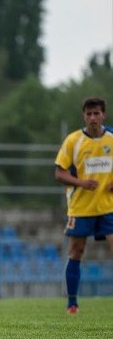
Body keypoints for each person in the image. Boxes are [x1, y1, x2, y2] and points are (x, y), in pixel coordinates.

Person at [54, 96, 113, 314]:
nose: (93, 118)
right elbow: (59, 173)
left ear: (103, 115)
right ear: (84, 116)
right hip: (81, 208)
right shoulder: (73, 141)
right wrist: (81, 183)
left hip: (109, 207)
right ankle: (72, 303)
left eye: (96, 113)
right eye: (89, 114)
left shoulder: (112, 139)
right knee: (76, 252)